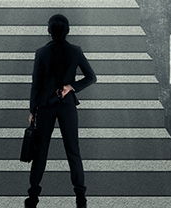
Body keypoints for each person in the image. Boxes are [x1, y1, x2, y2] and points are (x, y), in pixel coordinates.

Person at [26, 14, 97, 208]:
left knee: (40, 152)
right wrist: (71, 87)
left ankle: (32, 198)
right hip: (67, 106)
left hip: (45, 106)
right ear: (68, 31)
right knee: (73, 151)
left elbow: (36, 84)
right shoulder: (75, 51)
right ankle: (81, 198)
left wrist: (32, 109)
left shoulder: (41, 53)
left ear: (48, 30)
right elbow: (91, 77)